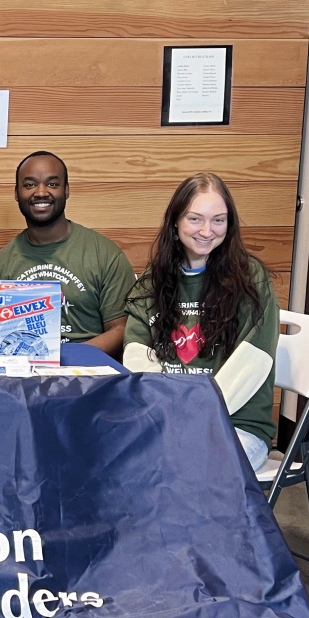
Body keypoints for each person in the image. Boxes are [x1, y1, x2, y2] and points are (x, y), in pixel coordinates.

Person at [124, 173, 278, 471]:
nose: (207, 231)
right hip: (166, 418)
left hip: (235, 425)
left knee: (180, 468)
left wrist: (190, 420)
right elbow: (136, 356)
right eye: (195, 219)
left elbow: (251, 365)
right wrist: (169, 414)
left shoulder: (252, 279)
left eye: (218, 220)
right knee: (112, 456)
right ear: (175, 222)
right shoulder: (152, 280)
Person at [0, 151, 135, 358]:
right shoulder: (0, 263)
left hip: (88, 374)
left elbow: (122, 330)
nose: (41, 192)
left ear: (66, 191)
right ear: (16, 193)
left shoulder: (105, 254)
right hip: (21, 376)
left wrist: (62, 358)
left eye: (52, 184)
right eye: (30, 184)